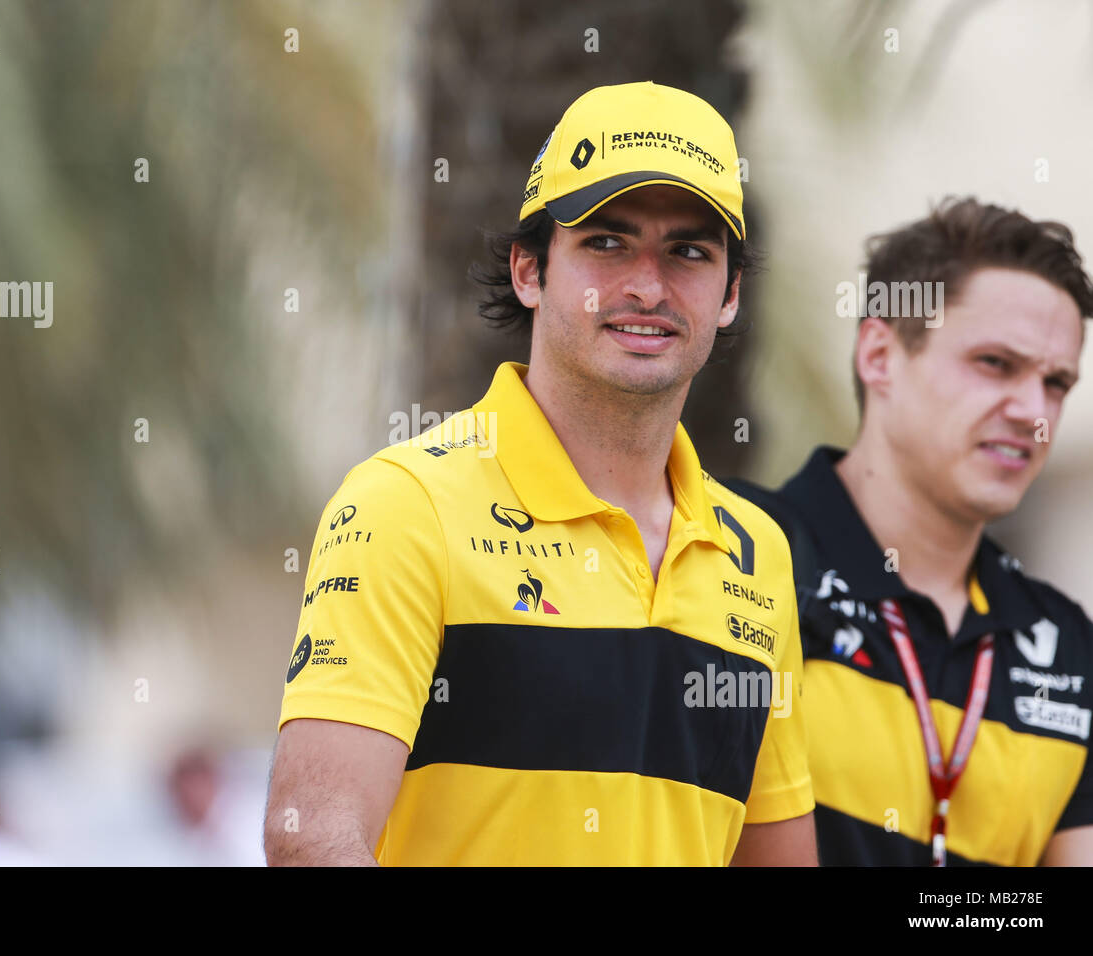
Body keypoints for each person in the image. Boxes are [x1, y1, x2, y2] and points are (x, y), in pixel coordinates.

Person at [264, 81, 817, 866]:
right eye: (606, 243)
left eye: (688, 252)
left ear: (729, 295)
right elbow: (311, 841)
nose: (649, 287)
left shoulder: (757, 551)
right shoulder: (406, 505)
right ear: (529, 269)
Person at [728, 197, 1093, 866]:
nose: (1032, 412)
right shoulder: (735, 556)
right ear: (879, 354)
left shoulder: (1068, 646)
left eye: (1057, 383)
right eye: (995, 364)